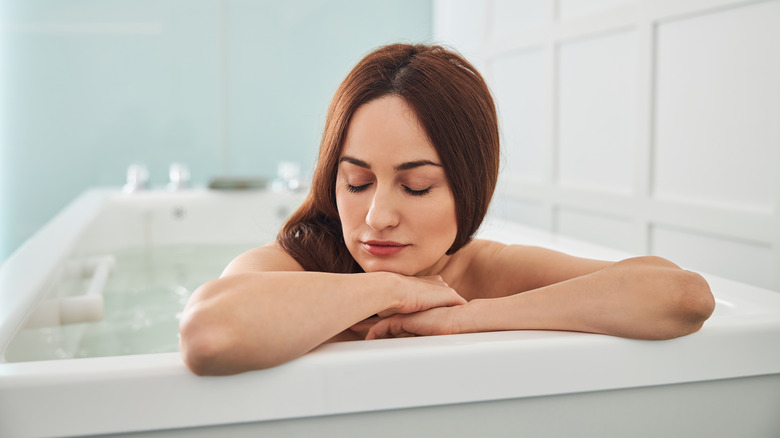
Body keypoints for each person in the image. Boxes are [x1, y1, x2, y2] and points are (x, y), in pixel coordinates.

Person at [179, 43, 715, 376]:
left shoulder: (481, 271)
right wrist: (394, 289)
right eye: (358, 181)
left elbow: (683, 296)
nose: (377, 216)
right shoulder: (296, 266)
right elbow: (207, 333)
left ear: (469, 188)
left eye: (415, 187)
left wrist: (466, 318)